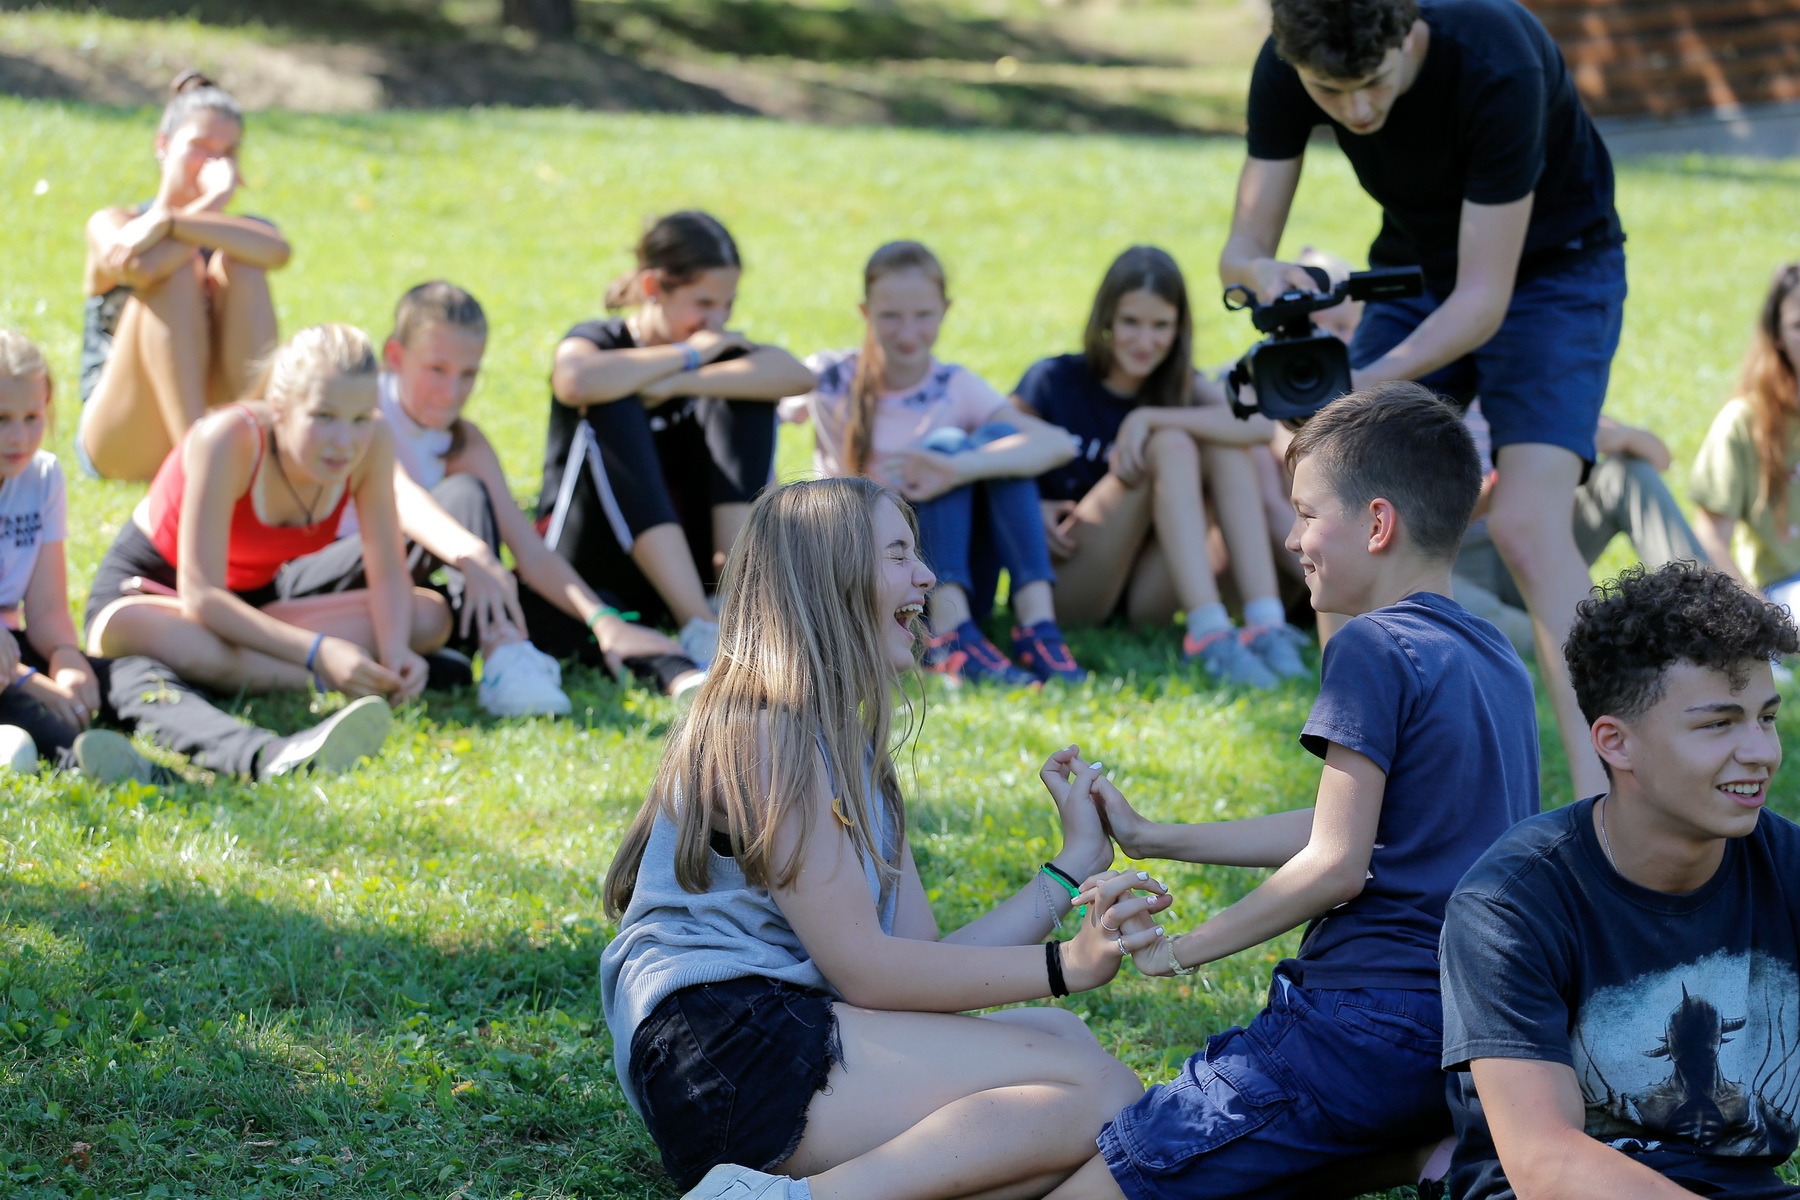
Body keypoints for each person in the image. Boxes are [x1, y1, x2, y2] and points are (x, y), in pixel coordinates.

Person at [601, 476, 1173, 1200]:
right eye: (898, 554)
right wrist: (1067, 964)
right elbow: (870, 975)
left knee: (1069, 1046)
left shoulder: (855, 757)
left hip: (786, 1031)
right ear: (828, 580)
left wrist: (1071, 869)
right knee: (1101, 1093)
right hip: (723, 1045)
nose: (927, 576)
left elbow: (918, 965)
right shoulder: (762, 733)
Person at [1047, 384, 1541, 1200]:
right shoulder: (1494, 655)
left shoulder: (1373, 646)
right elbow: (1369, 824)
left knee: (1104, 1181)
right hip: (1460, 1041)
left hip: (1358, 1028)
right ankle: (1433, 1155)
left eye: (1307, 514)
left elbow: (1336, 864)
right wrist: (1156, 835)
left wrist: (1181, 949)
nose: (1290, 538)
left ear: (1377, 525)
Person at [1222, 0, 1628, 798]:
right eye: (1331, 94)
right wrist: (1260, 273)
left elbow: (1482, 301)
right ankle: (1357, 794)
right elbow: (1240, 248)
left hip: (1559, 270)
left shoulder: (1495, 57)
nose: (1357, 111)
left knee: (1526, 524)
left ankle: (1607, 807)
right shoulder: (1288, 59)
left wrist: (1365, 381)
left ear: (1411, 33)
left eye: (1374, 83)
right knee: (1343, 505)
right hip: (1415, 268)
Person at [1439, 561, 1800, 1199]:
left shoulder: (1788, 865)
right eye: (1718, 724)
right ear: (1615, 742)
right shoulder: (1509, 905)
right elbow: (1545, 1163)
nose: (1761, 752)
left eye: (1766, 718)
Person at [274, 282, 703, 715]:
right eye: (436, 369)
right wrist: (473, 554)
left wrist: (600, 618)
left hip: (408, 592)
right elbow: (401, 498)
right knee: (465, 496)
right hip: (317, 578)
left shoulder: (465, 440)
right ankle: (503, 653)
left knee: (580, 607)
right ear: (396, 357)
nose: (452, 391)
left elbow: (531, 553)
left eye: (468, 374)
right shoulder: (362, 413)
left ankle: (674, 670)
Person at [0, 330, 372, 784]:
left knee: (135, 674)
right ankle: (100, 767)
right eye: (2, 419)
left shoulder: (41, 476)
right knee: (27, 707)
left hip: (14, 649)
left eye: (32, 417)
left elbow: (45, 609)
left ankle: (263, 755)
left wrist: (65, 658)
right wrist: (29, 682)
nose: (19, 437)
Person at [82, 324, 448, 779]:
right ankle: (325, 678)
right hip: (156, 601)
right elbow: (202, 598)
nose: (344, 441)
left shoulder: (373, 441)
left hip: (255, 605)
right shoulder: (228, 438)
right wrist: (319, 654)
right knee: (171, 639)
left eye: (360, 418)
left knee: (427, 616)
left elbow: (388, 569)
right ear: (280, 408)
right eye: (323, 416)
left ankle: (354, 671)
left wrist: (395, 649)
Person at [784, 240, 1086, 685]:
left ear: (945, 311)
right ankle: (949, 638)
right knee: (948, 445)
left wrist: (959, 468)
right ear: (866, 313)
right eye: (891, 316)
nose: (907, 332)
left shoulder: (953, 385)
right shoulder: (831, 376)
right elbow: (769, 404)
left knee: (990, 443)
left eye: (923, 315)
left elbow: (1057, 444)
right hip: (863, 574)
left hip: (939, 572)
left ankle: (1036, 624)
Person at [1015, 245, 1308, 688]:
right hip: (1071, 581)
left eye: (1160, 326)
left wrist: (1148, 417)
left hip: (1148, 597)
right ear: (1106, 318)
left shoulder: (1179, 385)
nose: (1144, 341)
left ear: (1178, 328)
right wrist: (1030, 508)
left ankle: (1264, 625)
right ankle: (1209, 635)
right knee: (1172, 445)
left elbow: (1257, 427)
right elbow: (992, 445)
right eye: (1131, 322)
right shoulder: (1054, 380)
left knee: (1220, 443)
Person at [537, 211, 815, 669]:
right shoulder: (602, 339)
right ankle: (699, 624)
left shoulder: (710, 352)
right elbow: (573, 379)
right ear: (652, 288)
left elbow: (797, 375)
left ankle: (731, 602)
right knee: (615, 399)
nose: (717, 320)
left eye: (727, 305)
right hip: (593, 565)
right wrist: (686, 354)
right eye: (703, 303)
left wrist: (683, 379)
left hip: (691, 563)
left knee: (744, 387)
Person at [78, 70, 290, 482]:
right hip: (124, 433)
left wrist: (175, 221)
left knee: (242, 264)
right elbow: (141, 268)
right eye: (200, 148)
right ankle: (202, 467)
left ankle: (259, 444)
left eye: (227, 153)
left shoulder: (240, 234)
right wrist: (204, 205)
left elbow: (279, 252)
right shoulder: (115, 222)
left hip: (215, 410)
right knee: (176, 273)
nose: (214, 164)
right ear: (163, 145)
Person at [1459, 402, 1708, 656]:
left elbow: (1661, 458)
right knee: (1461, 612)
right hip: (1457, 560)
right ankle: (1603, 642)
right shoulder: (1442, 399)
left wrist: (1619, 436)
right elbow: (1439, 515)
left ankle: (1704, 606)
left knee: (1627, 471)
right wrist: (1507, 482)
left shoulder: (1528, 396)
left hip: (1538, 541)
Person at [1691, 263, 1800, 609]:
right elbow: (1710, 538)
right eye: (1799, 326)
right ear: (1777, 336)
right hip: (1783, 589)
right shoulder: (1745, 420)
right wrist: (1760, 615)